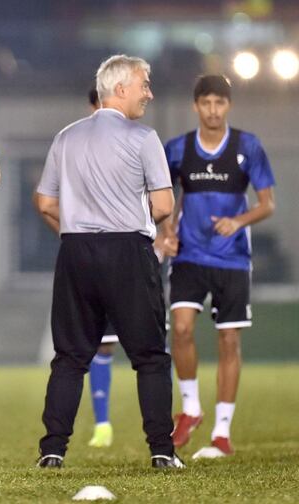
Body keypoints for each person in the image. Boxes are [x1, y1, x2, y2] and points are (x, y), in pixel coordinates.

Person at [34, 55, 183, 469]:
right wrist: (128, 221)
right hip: (127, 252)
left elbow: (45, 202)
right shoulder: (143, 137)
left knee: (69, 357)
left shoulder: (65, 137)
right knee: (150, 356)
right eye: (144, 84)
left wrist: (79, 229)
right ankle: (161, 451)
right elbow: (164, 204)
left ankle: (52, 450)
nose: (149, 93)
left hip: (75, 251)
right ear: (120, 90)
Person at [163, 75, 275, 458]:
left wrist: (237, 222)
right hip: (189, 256)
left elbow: (267, 204)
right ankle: (191, 408)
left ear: (228, 106)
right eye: (206, 103)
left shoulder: (248, 147)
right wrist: (166, 231)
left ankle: (222, 431)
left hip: (231, 258)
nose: (213, 110)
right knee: (180, 328)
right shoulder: (177, 150)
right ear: (196, 105)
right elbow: (162, 196)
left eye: (220, 103)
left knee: (228, 340)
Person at [85, 87, 118, 449]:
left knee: (153, 344)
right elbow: (47, 200)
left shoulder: (140, 143)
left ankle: (169, 422)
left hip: (135, 260)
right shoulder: (78, 147)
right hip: (94, 260)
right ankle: (103, 424)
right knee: (101, 345)